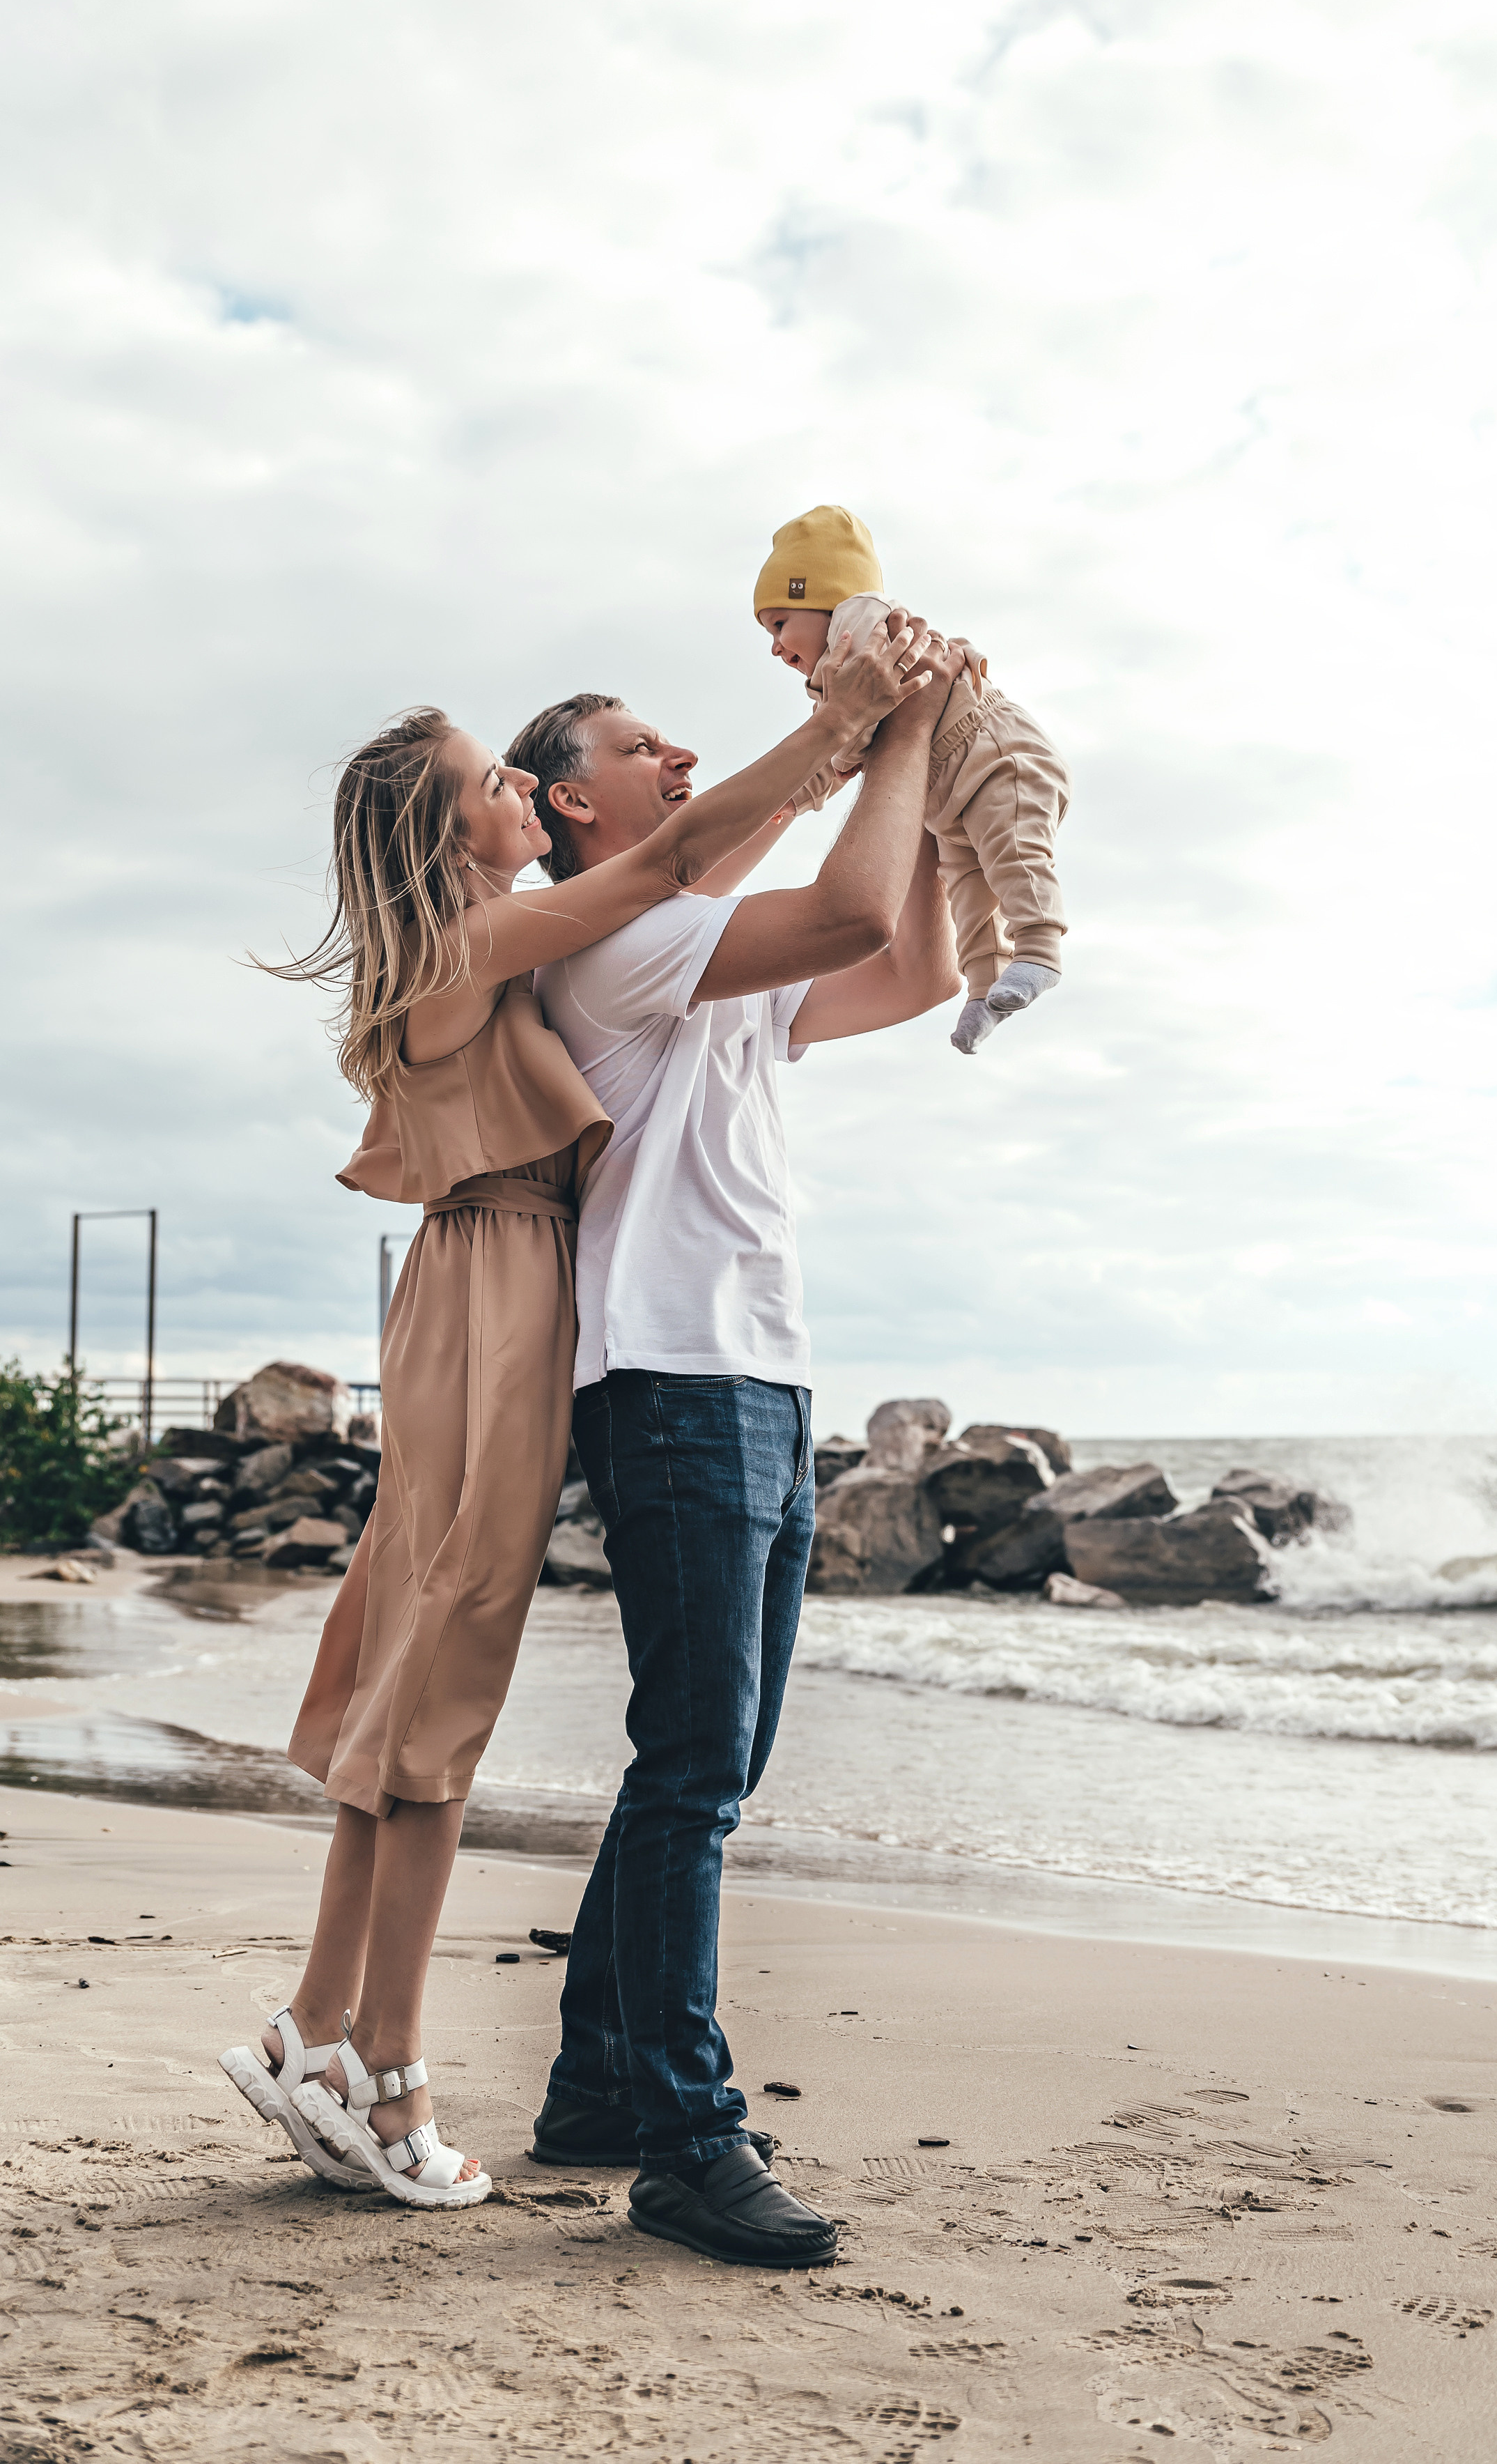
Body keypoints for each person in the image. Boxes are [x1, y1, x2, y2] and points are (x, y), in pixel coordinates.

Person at [217, 629, 924, 2210]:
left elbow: (678, 868)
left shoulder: (507, 943)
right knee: (447, 1663)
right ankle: (387, 2070)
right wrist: (845, 722)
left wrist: (845, 750)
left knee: (422, 1657)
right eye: (493, 780)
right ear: (448, 830)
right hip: (496, 1294)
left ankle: (321, 2025)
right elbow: (668, 861)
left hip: (496, 1288)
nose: (522, 791)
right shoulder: (479, 941)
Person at [506, 645, 959, 2267]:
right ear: (573, 801)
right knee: (696, 1766)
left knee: (704, 1764)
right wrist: (889, 725)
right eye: (640, 744)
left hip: (758, 1380)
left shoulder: (702, 952)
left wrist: (941, 765)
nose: (680, 753)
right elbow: (845, 911)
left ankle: (595, 2087)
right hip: (669, 1380)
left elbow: (910, 964)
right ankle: (689, 2142)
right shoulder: (612, 938)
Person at [754, 503, 1071, 1058]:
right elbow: (832, 751)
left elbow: (845, 739)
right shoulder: (838, 679)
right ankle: (985, 989)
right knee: (968, 887)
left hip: (994, 754)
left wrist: (831, 754)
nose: (776, 647)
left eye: (780, 623)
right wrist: (795, 797)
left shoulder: (865, 623)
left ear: (824, 599)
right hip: (945, 791)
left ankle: (1040, 948)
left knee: (1013, 852)